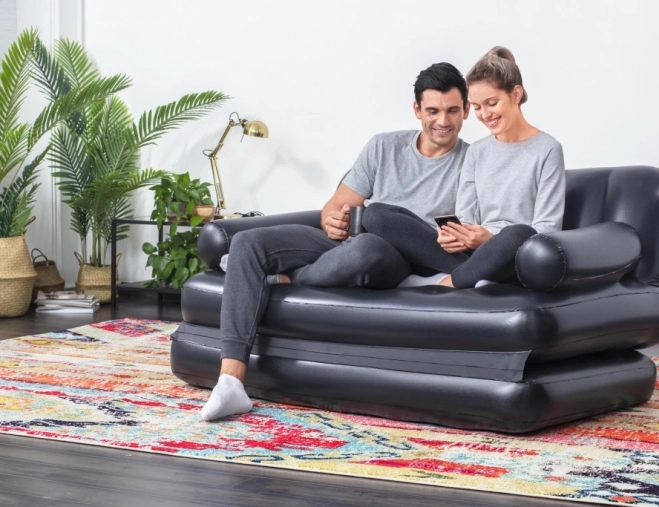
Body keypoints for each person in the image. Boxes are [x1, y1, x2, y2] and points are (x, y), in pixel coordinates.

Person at [201, 62, 471, 421]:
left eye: (452, 111)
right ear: (417, 110)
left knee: (366, 248)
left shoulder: (473, 162)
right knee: (247, 243)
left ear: (466, 110)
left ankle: (288, 277)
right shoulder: (383, 146)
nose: (443, 121)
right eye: (433, 111)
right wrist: (333, 219)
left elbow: (469, 232)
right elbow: (335, 206)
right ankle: (231, 381)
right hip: (345, 243)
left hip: (394, 256)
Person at [362, 46, 565, 289]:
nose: (485, 114)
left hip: (514, 253)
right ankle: (475, 276)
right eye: (477, 107)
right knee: (375, 214)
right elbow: (465, 218)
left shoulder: (548, 149)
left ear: (516, 94)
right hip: (472, 253)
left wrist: (489, 239)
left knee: (519, 233)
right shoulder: (476, 151)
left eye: (492, 103)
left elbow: (547, 230)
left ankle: (448, 282)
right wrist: (457, 236)